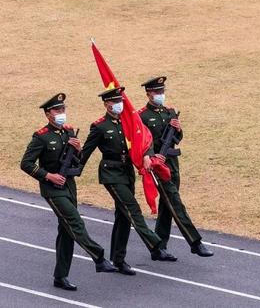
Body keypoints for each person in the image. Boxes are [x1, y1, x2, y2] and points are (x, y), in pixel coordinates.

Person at [20, 93, 117, 291]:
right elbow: (26, 163)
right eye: (57, 110)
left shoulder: (69, 132)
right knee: (75, 221)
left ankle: (60, 276)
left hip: (69, 186)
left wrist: (78, 149)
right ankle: (98, 256)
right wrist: (48, 176)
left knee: (66, 231)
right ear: (48, 114)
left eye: (63, 109)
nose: (61, 113)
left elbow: (77, 162)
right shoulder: (41, 137)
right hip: (52, 189)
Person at [79, 86, 177, 276]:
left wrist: (148, 155)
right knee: (132, 208)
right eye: (115, 102)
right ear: (107, 104)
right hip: (111, 174)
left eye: (121, 101)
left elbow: (144, 140)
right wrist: (73, 170)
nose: (119, 104)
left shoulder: (128, 122)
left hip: (127, 172)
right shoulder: (99, 126)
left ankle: (119, 259)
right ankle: (155, 245)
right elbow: (86, 152)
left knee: (123, 216)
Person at [139, 76, 213, 257]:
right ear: (148, 93)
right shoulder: (141, 116)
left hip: (172, 163)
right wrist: (150, 156)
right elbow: (141, 141)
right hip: (157, 166)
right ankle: (195, 242)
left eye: (162, 91)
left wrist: (178, 129)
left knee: (167, 205)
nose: (160, 95)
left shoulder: (169, 111)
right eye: (157, 92)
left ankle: (159, 246)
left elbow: (177, 139)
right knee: (175, 203)